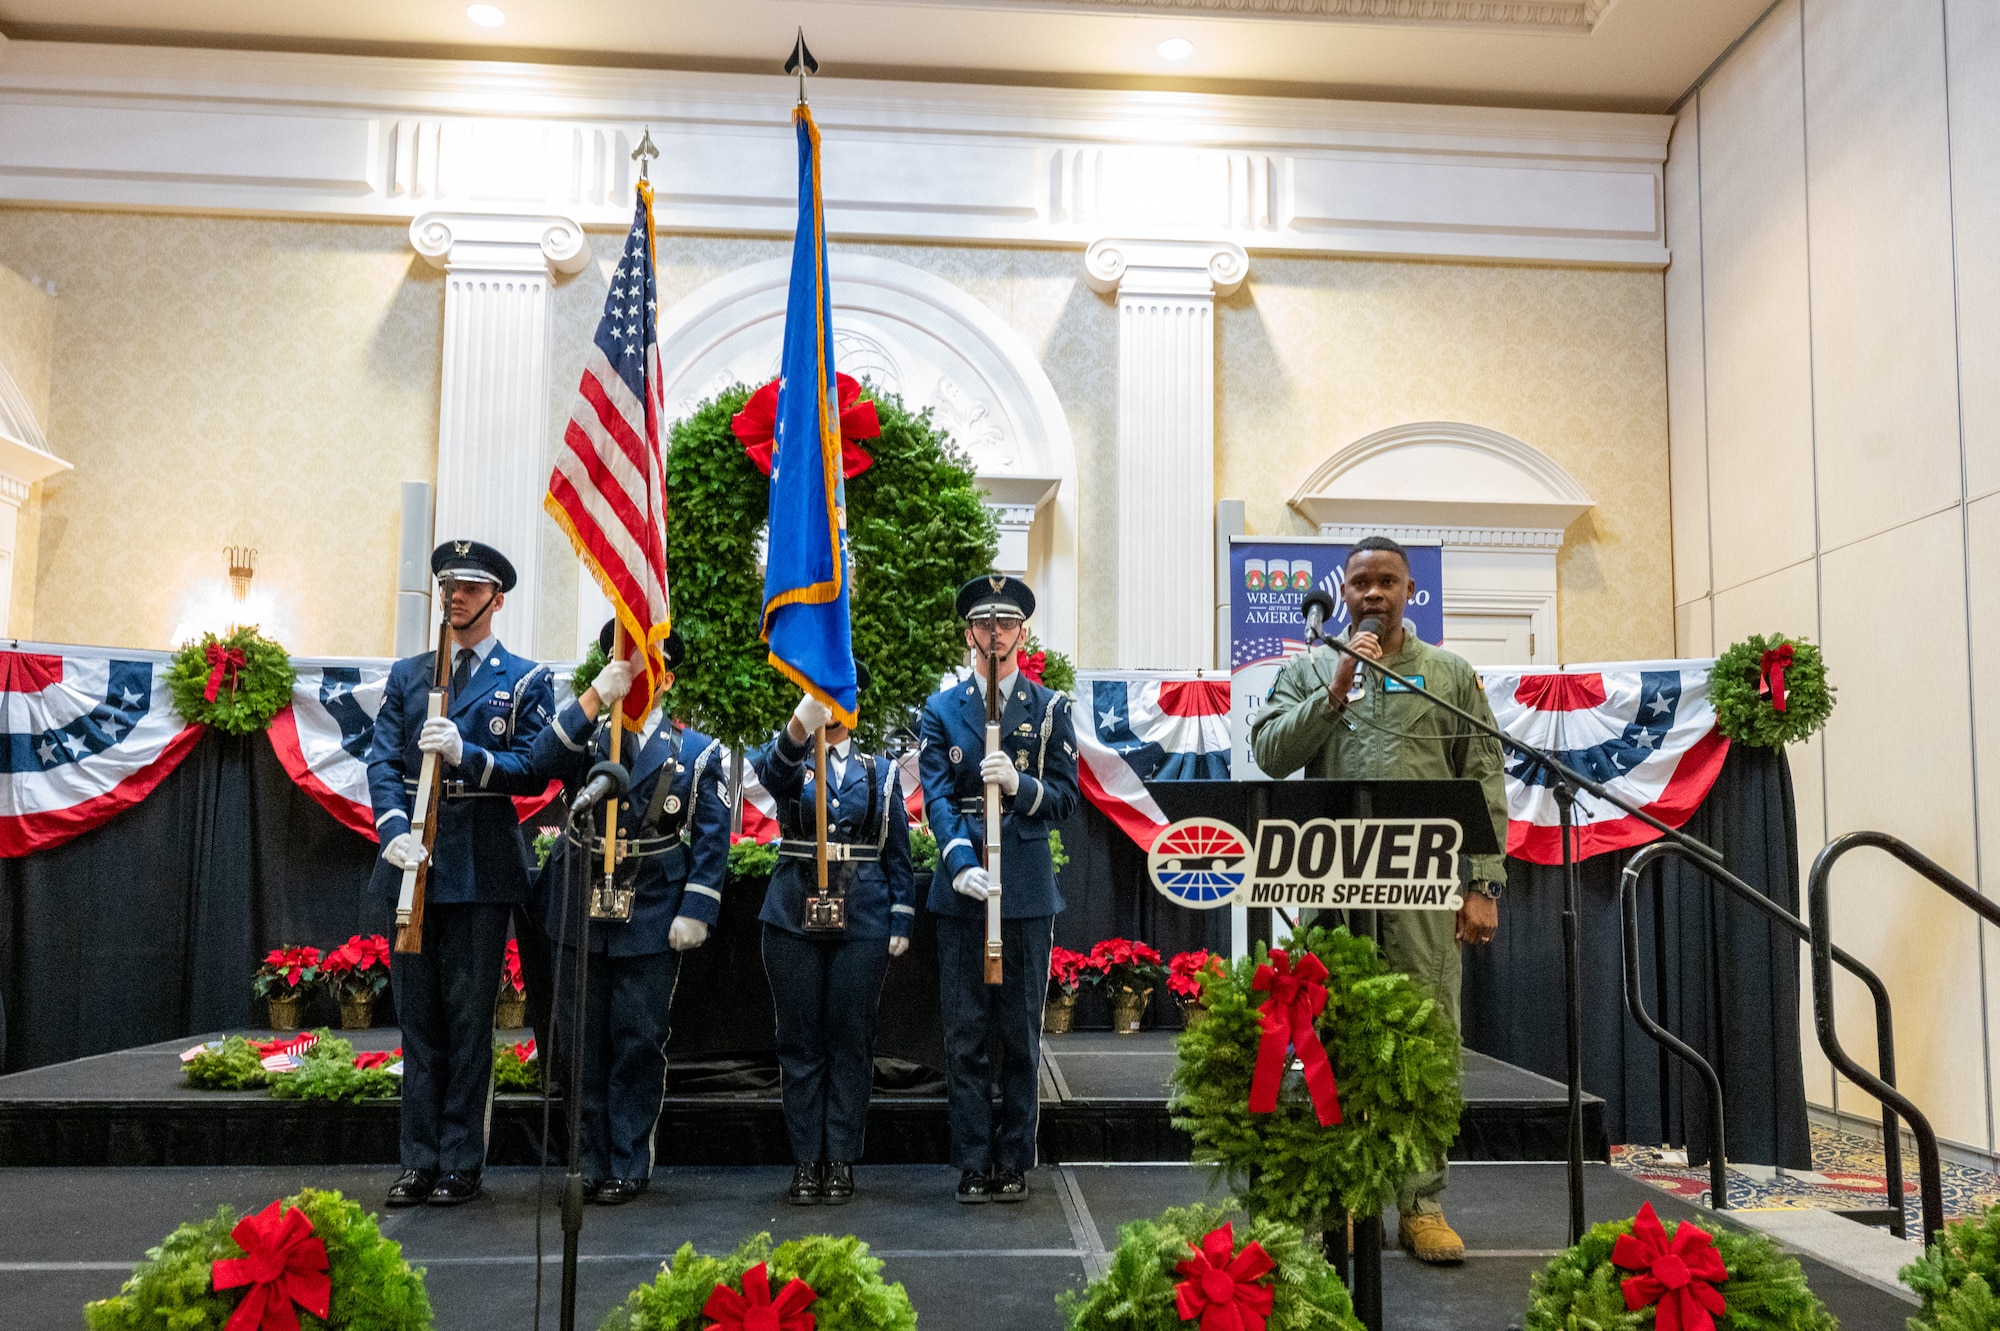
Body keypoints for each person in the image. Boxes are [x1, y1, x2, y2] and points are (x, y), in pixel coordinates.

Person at [1248, 534, 1508, 1265]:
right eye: (1361, 581)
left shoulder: (1447, 674)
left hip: (1424, 889)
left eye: (1387, 581)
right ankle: (1339, 1196)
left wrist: (1482, 883)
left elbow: (1483, 776)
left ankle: (1420, 1203)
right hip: (1333, 885)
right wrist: (1335, 688)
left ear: (1409, 591)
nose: (1372, 593)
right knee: (1328, 1036)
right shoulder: (1308, 668)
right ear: (1344, 591)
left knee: (1425, 1039)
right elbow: (1270, 754)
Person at [368, 540, 555, 1208]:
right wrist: (393, 829)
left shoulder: (524, 679)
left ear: (496, 599)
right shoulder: (410, 675)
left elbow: (534, 767)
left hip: (479, 865)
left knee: (470, 1021)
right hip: (415, 865)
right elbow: (382, 760)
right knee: (418, 1024)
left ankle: (460, 1161)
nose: (455, 597)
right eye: (449, 586)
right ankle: (418, 1160)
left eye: (471, 588)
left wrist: (468, 753)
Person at [528, 620, 730, 1204]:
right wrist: (594, 697)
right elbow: (539, 761)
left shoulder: (696, 751)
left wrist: (697, 908)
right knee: (578, 1043)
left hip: (651, 908)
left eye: (648, 661)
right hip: (579, 902)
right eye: (627, 658)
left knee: (638, 1038)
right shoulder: (587, 734)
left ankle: (627, 1160)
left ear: (667, 677)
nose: (638, 670)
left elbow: (712, 837)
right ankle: (586, 1161)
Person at [919, 574, 1078, 1204]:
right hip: (964, 887)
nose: (995, 635)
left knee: (1019, 1034)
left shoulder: (1049, 709)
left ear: (1022, 634)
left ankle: (1013, 1160)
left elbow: (1064, 798)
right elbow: (936, 794)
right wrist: (959, 861)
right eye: (984, 625)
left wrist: (1020, 785)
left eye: (1005, 624)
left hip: (1026, 890)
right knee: (963, 1035)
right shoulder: (941, 710)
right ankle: (971, 1159)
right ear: (969, 635)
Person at [750, 662, 916, 1206]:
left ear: (856, 706)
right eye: (823, 695)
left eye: (841, 697)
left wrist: (901, 915)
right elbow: (770, 775)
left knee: (850, 1040)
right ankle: (806, 1160)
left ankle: (840, 1157)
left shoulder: (880, 771)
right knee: (799, 1042)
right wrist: (800, 725)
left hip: (862, 918)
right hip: (792, 915)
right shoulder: (791, 759)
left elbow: (896, 850)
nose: (834, 706)